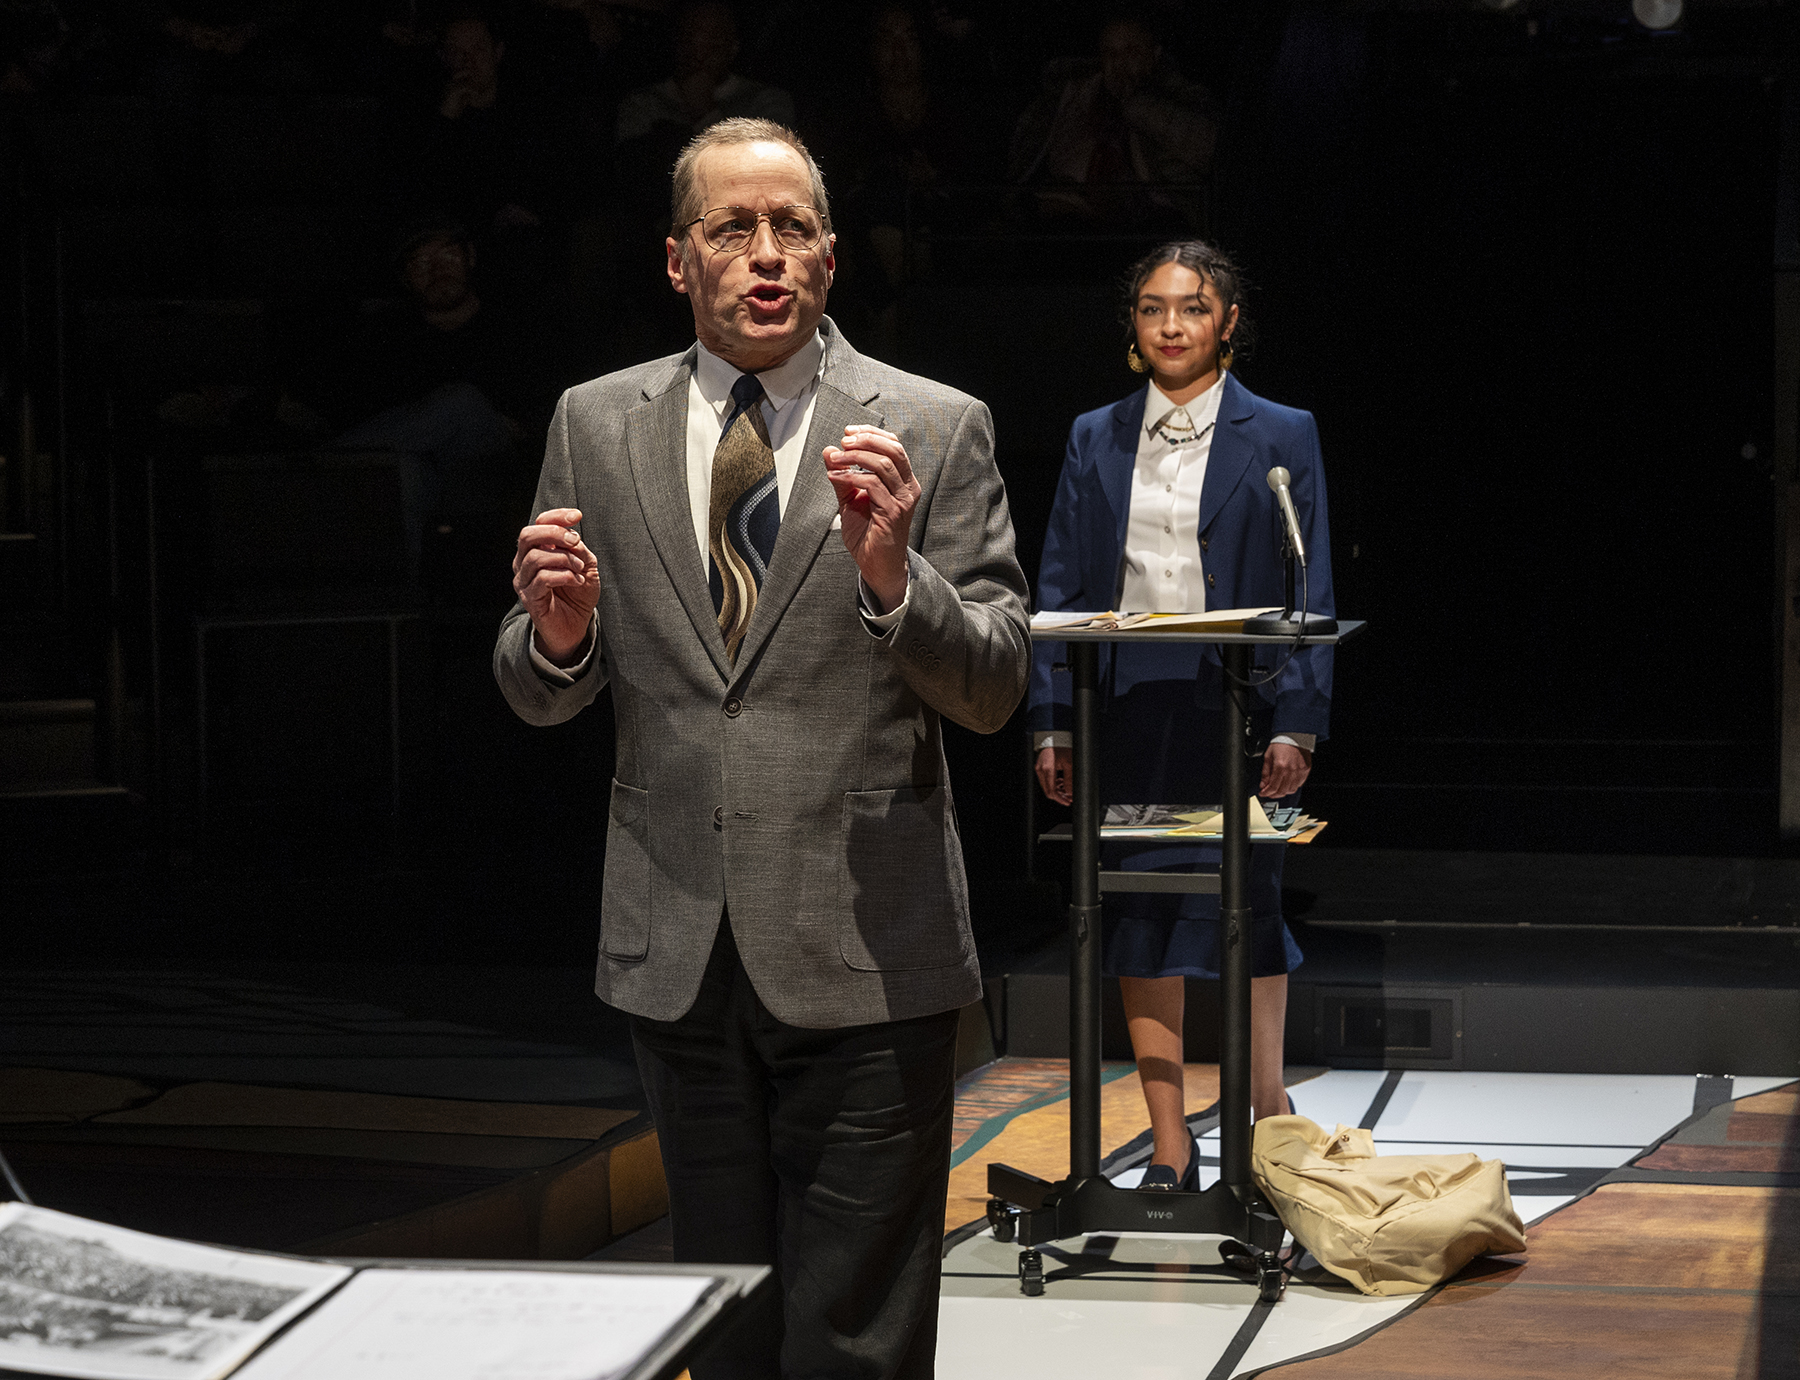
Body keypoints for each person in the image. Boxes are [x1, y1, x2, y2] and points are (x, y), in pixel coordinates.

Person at [493, 117, 1029, 1378]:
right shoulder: (595, 422)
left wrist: (897, 584)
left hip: (869, 944)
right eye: (733, 228)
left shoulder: (934, 424)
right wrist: (558, 638)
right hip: (677, 945)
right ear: (678, 259)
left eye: (793, 228)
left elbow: (996, 685)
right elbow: (536, 686)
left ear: (831, 257)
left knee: (855, 1335)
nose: (767, 253)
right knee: (722, 1322)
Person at [1028, 239, 1333, 1190]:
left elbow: (1310, 581)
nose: (1171, 326)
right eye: (1153, 308)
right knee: (1139, 919)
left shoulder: (1282, 433)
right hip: (1124, 708)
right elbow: (1060, 583)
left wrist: (1298, 720)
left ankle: (1268, 1120)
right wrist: (1052, 719)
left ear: (1227, 322)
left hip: (1235, 704)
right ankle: (1169, 1144)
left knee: (1252, 910)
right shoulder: (1095, 434)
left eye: (1192, 308)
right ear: (1133, 323)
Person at [1008, 14, 1216, 227]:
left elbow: (1208, 150)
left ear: (1154, 54)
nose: (1119, 63)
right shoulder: (1068, 94)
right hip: (1059, 216)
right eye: (1110, 53)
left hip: (1149, 223)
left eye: (1132, 52)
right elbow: (1023, 156)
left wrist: (1137, 104)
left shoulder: (1179, 95)